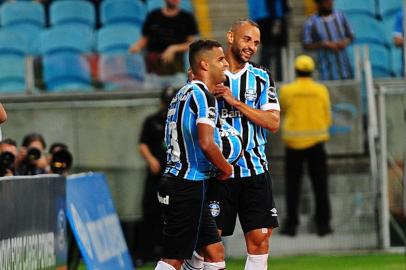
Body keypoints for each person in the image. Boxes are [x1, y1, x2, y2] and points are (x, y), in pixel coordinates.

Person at [187, 19, 280, 270]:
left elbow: (273, 122)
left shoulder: (262, 78)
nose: (252, 46)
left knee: (260, 239)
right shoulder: (208, 74)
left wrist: (235, 101)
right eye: (247, 39)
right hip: (218, 172)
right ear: (231, 37)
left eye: (257, 42)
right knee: (207, 242)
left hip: (255, 170)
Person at [154, 39, 231, 270]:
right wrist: (225, 167)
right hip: (184, 185)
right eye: (220, 59)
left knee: (214, 253)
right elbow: (206, 143)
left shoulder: (182, 94)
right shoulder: (202, 96)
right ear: (204, 65)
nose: (226, 64)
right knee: (173, 259)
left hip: (182, 182)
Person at [279, 55, 333, 237]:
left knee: (293, 186)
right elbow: (327, 113)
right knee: (320, 186)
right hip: (317, 143)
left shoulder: (287, 90)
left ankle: (291, 225)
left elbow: (284, 110)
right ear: (312, 70)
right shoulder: (321, 90)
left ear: (296, 70)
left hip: (294, 144)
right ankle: (323, 225)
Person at [138, 86, 177, 263]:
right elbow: (143, 143)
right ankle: (146, 252)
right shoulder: (151, 121)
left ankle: (169, 251)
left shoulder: (180, 120)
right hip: (156, 175)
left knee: (173, 213)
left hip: (175, 175)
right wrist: (150, 159)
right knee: (150, 211)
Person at [129, 0, 199, 88]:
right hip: (154, 72)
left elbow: (191, 43)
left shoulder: (186, 18)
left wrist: (174, 48)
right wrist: (136, 46)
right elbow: (144, 39)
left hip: (176, 71)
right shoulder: (153, 15)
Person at [302, 0, 354, 80]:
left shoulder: (340, 16)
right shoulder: (311, 22)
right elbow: (306, 45)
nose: (330, 3)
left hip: (345, 69)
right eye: (326, 1)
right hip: (325, 71)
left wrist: (344, 42)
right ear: (318, 3)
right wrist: (324, 44)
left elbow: (351, 36)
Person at [248, 0, 291, 81]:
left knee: (270, 51)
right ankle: (271, 78)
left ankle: (266, 77)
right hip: (269, 18)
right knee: (271, 50)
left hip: (265, 18)